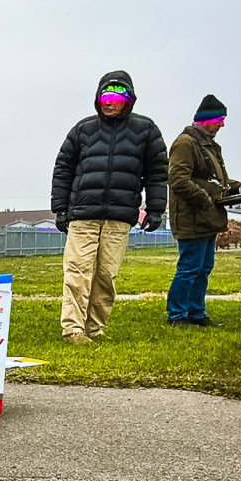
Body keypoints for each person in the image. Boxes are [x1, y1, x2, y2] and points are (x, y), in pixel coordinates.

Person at [51, 71, 168, 344]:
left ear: (128, 99)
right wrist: (60, 208)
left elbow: (157, 173)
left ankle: (94, 328)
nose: (109, 101)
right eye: (105, 95)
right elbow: (63, 169)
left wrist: (155, 209)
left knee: (106, 276)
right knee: (78, 273)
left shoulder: (146, 130)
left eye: (116, 96)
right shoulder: (83, 130)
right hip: (83, 215)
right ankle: (73, 330)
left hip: (119, 216)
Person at [166, 96, 241, 327]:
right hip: (192, 217)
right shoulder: (185, 143)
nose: (222, 125)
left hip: (207, 218)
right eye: (220, 119)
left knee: (203, 268)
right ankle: (177, 315)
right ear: (206, 120)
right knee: (189, 268)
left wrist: (237, 186)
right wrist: (206, 200)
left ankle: (196, 313)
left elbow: (215, 180)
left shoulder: (209, 145)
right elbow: (178, 180)